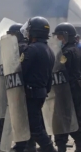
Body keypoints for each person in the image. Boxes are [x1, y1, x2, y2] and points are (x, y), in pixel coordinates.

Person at [10, 16, 56, 152]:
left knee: (36, 129)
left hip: (31, 93)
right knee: (26, 123)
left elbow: (21, 71)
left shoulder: (32, 49)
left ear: (34, 32)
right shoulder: (48, 50)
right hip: (40, 92)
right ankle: (20, 148)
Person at [53, 22, 81, 152]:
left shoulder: (68, 52)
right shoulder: (75, 49)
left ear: (67, 36)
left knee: (65, 120)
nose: (59, 40)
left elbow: (60, 70)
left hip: (69, 91)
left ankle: (62, 146)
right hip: (71, 91)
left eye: (60, 37)